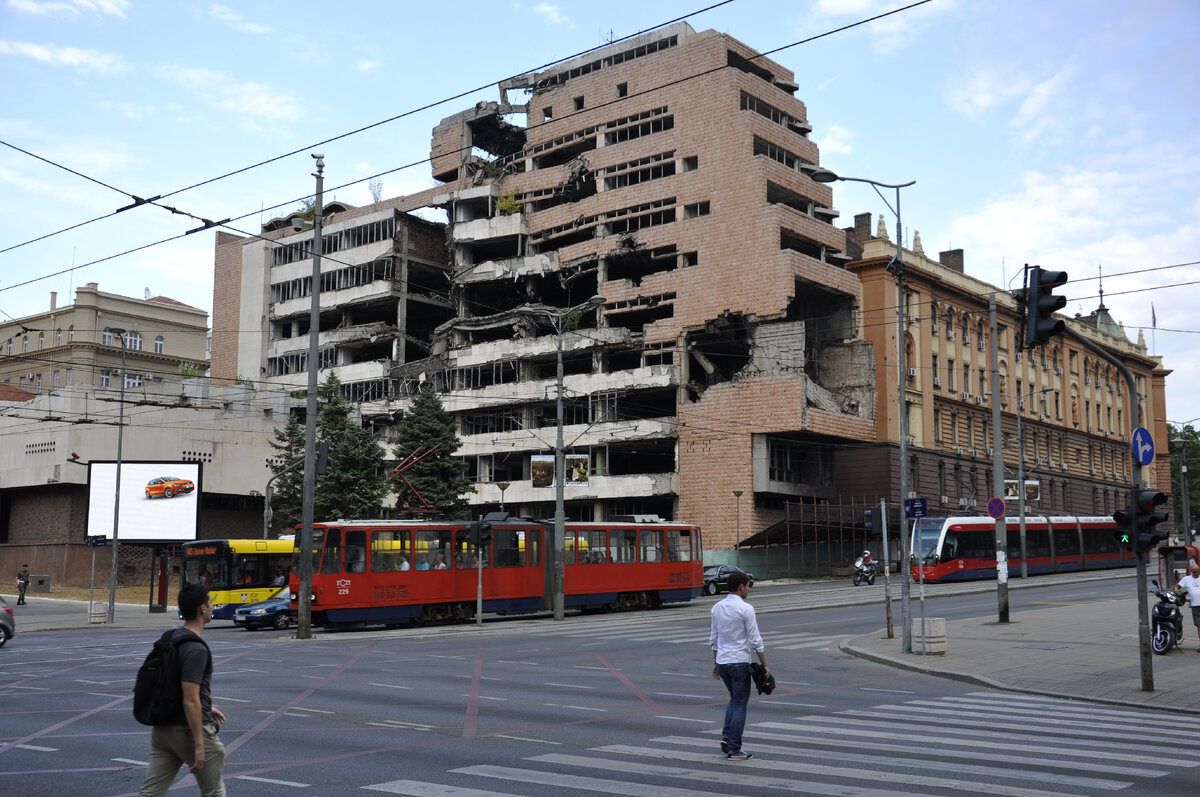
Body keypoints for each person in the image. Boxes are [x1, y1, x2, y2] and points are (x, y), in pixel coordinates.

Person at [139, 583, 226, 797]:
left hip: (162, 730)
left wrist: (207, 705)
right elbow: (190, 700)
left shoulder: (171, 637)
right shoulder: (196, 649)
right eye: (210, 602)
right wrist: (199, 744)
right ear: (202, 609)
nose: (212, 606)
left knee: (151, 793)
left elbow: (170, 683)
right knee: (214, 793)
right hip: (187, 731)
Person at [710, 570, 767, 761]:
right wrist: (765, 664)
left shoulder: (717, 607)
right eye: (748, 586)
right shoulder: (746, 609)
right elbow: (755, 640)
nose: (749, 589)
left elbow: (714, 638)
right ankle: (734, 749)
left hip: (723, 662)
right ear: (741, 587)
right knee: (740, 704)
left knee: (734, 699)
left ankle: (727, 739)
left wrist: (716, 662)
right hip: (739, 662)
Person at [1175, 562, 1200, 652]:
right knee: (1199, 625)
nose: (1196, 573)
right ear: (1191, 572)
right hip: (1195, 605)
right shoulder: (1187, 579)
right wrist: (1178, 592)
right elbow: (1176, 587)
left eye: (1198, 572)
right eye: (1194, 572)